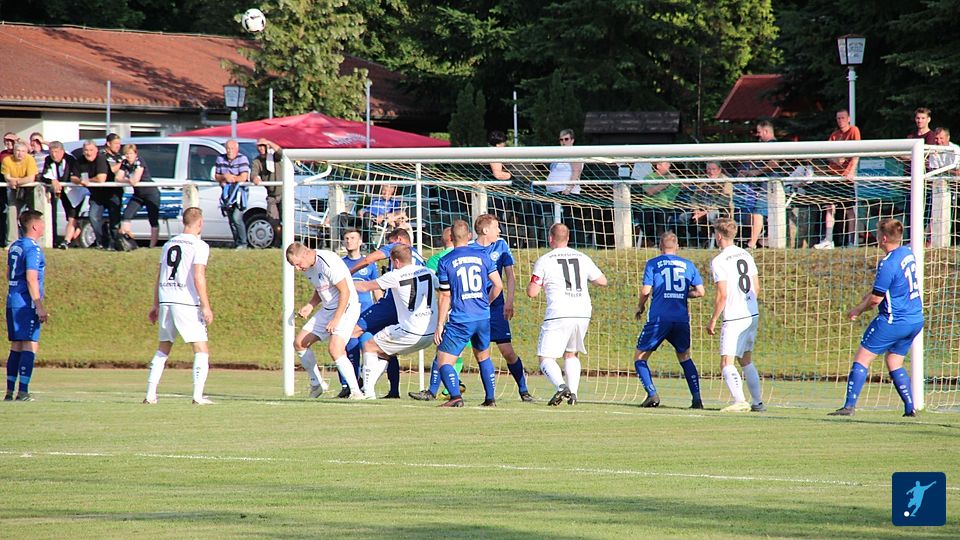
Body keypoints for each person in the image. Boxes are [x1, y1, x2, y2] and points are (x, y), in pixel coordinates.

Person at [828, 219, 922, 417]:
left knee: (862, 358)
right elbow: (882, 290)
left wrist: (857, 310)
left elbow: (875, 300)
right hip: (915, 320)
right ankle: (910, 408)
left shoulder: (887, 263)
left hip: (893, 320)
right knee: (894, 361)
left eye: (878, 234)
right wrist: (867, 298)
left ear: (883, 238)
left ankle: (849, 406)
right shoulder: (907, 253)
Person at [527, 223, 607, 406]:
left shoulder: (545, 260)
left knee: (545, 357)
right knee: (571, 354)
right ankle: (574, 394)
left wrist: (536, 284)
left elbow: (532, 292)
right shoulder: (582, 257)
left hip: (559, 311)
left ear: (550, 238)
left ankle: (561, 386)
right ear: (568, 238)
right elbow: (602, 281)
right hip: (582, 311)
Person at [144, 207, 215, 405]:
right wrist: (206, 306)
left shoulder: (168, 244)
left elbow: (160, 275)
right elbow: (198, 276)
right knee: (201, 348)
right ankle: (197, 396)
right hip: (186, 301)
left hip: (166, 298)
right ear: (200, 223)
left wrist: (156, 304)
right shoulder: (199, 245)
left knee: (163, 348)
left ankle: (150, 394)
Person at [433, 219, 504, 407]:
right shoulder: (483, 256)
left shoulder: (445, 261)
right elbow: (498, 285)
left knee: (443, 360)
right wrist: (486, 303)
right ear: (469, 236)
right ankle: (490, 399)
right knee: (483, 357)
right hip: (482, 316)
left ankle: (455, 397)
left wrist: (439, 324)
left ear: (451, 237)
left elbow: (445, 295)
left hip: (461, 318)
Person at [354, 244, 438, 399]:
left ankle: (367, 392)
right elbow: (442, 289)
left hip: (411, 331)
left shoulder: (395, 275)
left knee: (369, 345)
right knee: (383, 352)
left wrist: (342, 283)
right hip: (430, 334)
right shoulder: (428, 272)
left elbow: (365, 287)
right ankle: (368, 389)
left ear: (396, 262)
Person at [634, 232, 706, 408]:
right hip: (681, 319)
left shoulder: (653, 263)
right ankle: (697, 399)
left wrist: (640, 306)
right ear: (677, 247)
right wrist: (681, 294)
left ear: (660, 246)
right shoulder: (688, 265)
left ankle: (652, 394)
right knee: (685, 356)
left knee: (640, 357)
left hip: (659, 318)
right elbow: (700, 292)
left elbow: (645, 291)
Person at [286, 241, 363, 399]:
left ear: (305, 254)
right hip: (329, 309)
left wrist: (336, 319)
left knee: (335, 349)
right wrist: (310, 305)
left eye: (298, 264)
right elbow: (321, 287)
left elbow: (345, 292)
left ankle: (356, 392)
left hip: (347, 307)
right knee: (299, 343)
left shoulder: (328, 262)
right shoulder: (308, 265)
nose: (298, 269)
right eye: (294, 266)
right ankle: (317, 384)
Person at [706, 217, 765, 412]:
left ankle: (740, 401)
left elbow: (722, 295)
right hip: (751, 313)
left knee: (726, 362)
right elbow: (756, 287)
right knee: (746, 359)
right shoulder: (746, 254)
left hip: (734, 316)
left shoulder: (719, 261)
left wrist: (713, 319)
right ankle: (758, 402)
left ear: (719, 236)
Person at [472, 214, 533, 401]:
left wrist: (509, 301)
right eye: (496, 227)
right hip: (475, 306)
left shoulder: (501, 245)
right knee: (467, 350)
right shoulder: (470, 248)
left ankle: (524, 390)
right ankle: (435, 390)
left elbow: (510, 276)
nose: (499, 230)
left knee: (507, 351)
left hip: (497, 306)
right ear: (485, 230)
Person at [409, 226, 469, 400]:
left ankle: (437, 390)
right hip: (472, 309)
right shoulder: (473, 255)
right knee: (463, 351)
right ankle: (454, 384)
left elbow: (432, 286)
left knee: (443, 349)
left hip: (450, 310)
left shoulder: (437, 259)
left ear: (448, 237)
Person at [5, 210, 48, 401]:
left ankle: (9, 392)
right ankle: (23, 391)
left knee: (16, 345)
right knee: (30, 344)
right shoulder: (33, 248)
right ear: (35, 226)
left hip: (12, 300)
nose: (44, 226)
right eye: (42, 223)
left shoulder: (15, 246)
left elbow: (9, 274)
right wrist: (39, 305)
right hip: (26, 303)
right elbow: (31, 278)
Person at [335, 227, 381, 397]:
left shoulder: (369, 263)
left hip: (366, 313)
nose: (349, 241)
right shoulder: (340, 264)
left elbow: (376, 287)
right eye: (346, 238)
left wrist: (381, 307)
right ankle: (348, 385)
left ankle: (368, 385)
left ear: (360, 241)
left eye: (353, 238)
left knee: (368, 347)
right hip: (347, 313)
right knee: (348, 348)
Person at [815, 109, 861, 250]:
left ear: (848, 119)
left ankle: (852, 241)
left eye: (842, 118)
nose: (840, 121)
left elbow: (857, 152)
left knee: (849, 209)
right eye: (838, 118)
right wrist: (836, 158)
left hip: (846, 177)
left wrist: (851, 170)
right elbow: (828, 153)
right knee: (829, 206)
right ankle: (828, 239)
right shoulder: (835, 135)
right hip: (833, 175)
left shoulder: (853, 131)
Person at [736, 120, 778, 249]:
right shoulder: (766, 145)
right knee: (755, 212)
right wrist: (749, 172)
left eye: (759, 132)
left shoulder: (773, 145)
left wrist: (755, 172)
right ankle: (757, 240)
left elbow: (774, 164)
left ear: (766, 131)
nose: (758, 135)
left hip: (770, 184)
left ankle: (752, 243)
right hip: (763, 184)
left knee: (758, 212)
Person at [70, 140, 115, 250]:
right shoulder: (79, 160)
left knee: (114, 220)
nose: (88, 153)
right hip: (96, 195)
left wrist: (87, 181)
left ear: (96, 150)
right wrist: (80, 181)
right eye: (86, 150)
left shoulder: (101, 158)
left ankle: (114, 243)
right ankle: (101, 242)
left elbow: (101, 178)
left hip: (112, 194)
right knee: (93, 217)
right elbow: (73, 177)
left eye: (91, 150)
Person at [116, 143, 161, 247]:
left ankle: (152, 246)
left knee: (153, 219)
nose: (128, 156)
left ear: (135, 154)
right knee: (126, 215)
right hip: (138, 195)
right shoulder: (125, 163)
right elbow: (118, 178)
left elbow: (135, 180)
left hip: (151, 193)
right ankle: (127, 241)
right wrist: (127, 180)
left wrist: (126, 179)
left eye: (131, 153)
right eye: (126, 154)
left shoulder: (139, 161)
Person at [40, 141, 80, 249]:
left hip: (74, 192)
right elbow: (43, 176)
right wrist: (52, 180)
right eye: (52, 152)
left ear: (62, 151)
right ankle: (72, 240)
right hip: (61, 192)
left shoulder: (70, 159)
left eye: (56, 152)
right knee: (68, 216)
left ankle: (66, 241)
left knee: (72, 216)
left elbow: (70, 177)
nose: (54, 155)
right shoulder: (48, 159)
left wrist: (59, 182)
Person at [215, 139, 250, 249]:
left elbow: (243, 177)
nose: (229, 151)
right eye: (228, 149)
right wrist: (224, 177)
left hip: (240, 193)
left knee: (236, 217)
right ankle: (237, 242)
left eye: (232, 149)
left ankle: (243, 243)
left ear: (237, 149)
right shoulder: (220, 158)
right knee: (231, 219)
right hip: (227, 194)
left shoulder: (242, 159)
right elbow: (216, 176)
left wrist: (232, 178)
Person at [636, 161, 680, 247]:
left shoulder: (673, 177)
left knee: (661, 219)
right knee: (644, 221)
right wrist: (665, 183)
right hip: (647, 206)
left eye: (669, 164)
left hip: (665, 206)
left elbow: (684, 185)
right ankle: (655, 241)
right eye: (666, 164)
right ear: (658, 166)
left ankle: (659, 243)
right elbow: (650, 191)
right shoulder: (649, 177)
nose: (669, 165)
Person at [251, 138, 284, 241]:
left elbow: (281, 152)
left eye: (263, 146)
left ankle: (286, 240)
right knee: (273, 221)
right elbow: (253, 173)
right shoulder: (257, 161)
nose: (261, 148)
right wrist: (255, 178)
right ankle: (281, 240)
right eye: (259, 146)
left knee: (287, 219)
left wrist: (269, 142)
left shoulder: (274, 157)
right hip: (271, 195)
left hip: (283, 193)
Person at [1, 141, 38, 216]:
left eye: (23, 151)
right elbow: (7, 178)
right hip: (13, 189)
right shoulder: (6, 160)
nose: (20, 153)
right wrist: (21, 180)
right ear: (14, 151)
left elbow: (31, 178)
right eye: (18, 150)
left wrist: (16, 182)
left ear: (26, 152)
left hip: (28, 188)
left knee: (33, 212)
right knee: (13, 211)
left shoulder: (30, 159)